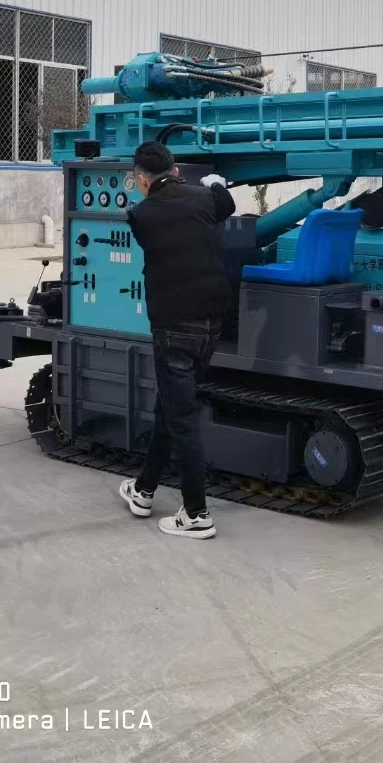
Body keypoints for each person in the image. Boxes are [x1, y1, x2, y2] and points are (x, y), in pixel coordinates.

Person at [116, 141, 235, 538]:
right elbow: (226, 203)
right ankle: (143, 490)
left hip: (173, 329)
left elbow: (158, 220)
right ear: (177, 171)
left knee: (181, 418)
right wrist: (215, 184)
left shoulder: (140, 216)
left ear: (141, 180)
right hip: (211, 325)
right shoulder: (205, 200)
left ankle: (197, 514)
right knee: (169, 408)